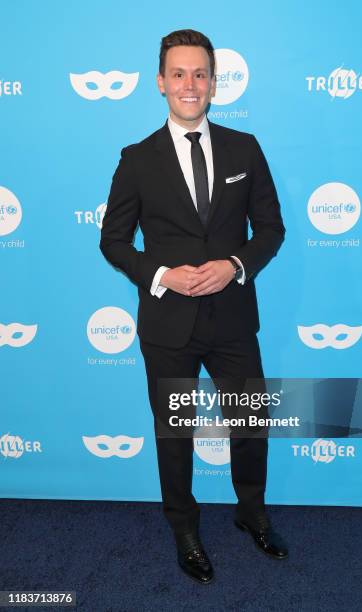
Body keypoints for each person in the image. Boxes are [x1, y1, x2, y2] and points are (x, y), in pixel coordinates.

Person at [100, 29, 287, 584]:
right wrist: (161, 274)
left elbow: (271, 230)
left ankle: (251, 514)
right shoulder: (136, 159)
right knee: (175, 432)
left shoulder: (244, 149)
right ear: (160, 83)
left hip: (232, 318)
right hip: (167, 325)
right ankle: (184, 529)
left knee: (250, 422)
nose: (190, 84)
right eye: (178, 74)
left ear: (214, 82)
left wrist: (235, 265)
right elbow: (112, 241)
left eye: (200, 74)